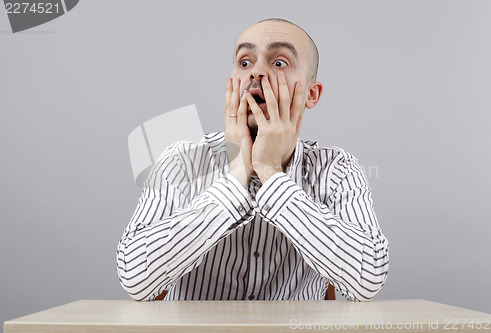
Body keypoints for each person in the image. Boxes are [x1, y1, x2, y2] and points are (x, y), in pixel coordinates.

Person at [117, 18, 389, 302]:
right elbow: (136, 280)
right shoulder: (182, 162)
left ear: (311, 94)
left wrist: (272, 174)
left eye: (279, 62)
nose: (256, 72)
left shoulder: (337, 170)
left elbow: (366, 281)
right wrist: (237, 176)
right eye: (245, 63)